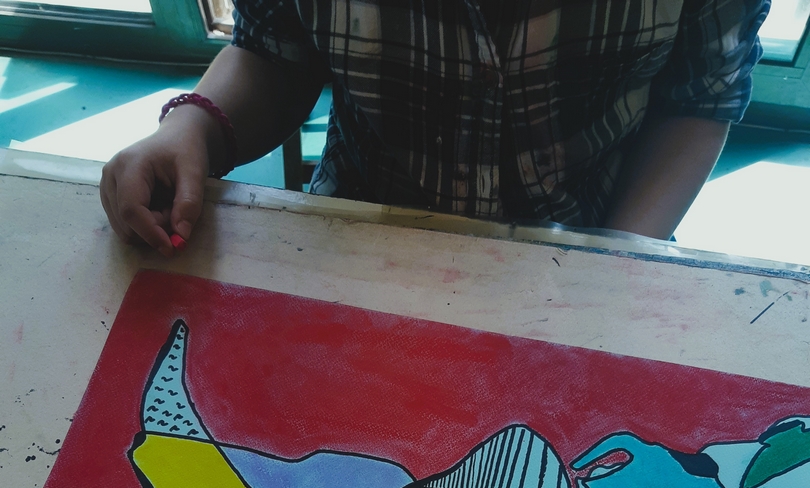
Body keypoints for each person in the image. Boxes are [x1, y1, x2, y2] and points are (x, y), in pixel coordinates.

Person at [100, 0, 770, 257]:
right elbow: (276, 51)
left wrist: (617, 262)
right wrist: (192, 128)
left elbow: (696, 97)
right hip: (355, 242)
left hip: (600, 233)